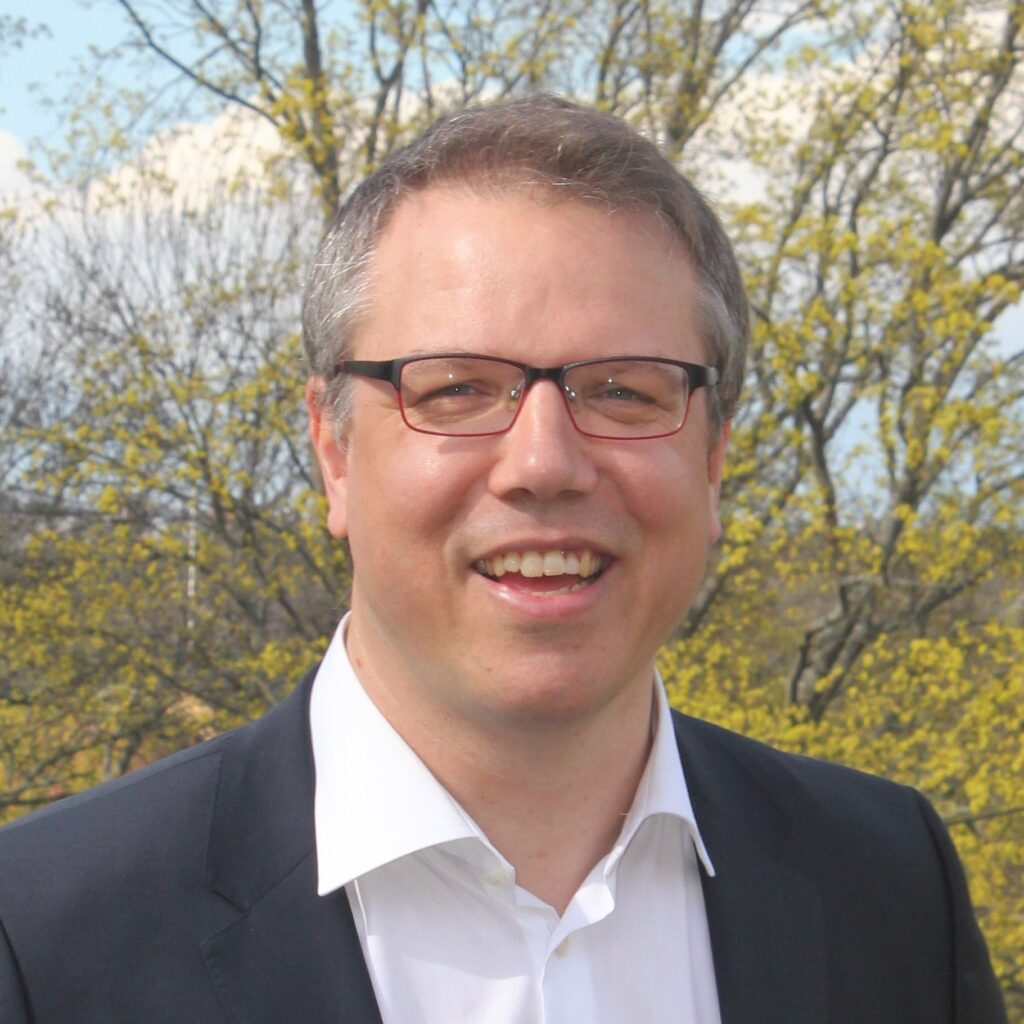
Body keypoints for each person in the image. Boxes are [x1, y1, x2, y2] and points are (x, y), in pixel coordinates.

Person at [0, 95, 1007, 1024]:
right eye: (456, 390)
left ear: (712, 461)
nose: (544, 463)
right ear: (333, 450)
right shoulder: (42, 938)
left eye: (624, 391)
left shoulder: (891, 887)